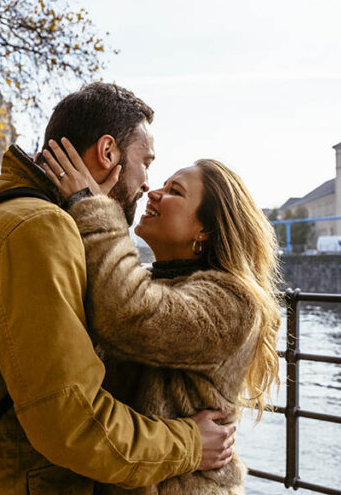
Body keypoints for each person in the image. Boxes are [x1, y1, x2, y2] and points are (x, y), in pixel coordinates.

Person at [0, 82, 236, 494]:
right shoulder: (40, 228)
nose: (148, 184)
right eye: (146, 163)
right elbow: (72, 422)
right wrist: (189, 444)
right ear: (108, 152)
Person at [40, 138, 282, 494]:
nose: (153, 192)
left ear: (205, 231)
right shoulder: (156, 280)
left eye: (175, 191)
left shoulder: (233, 303)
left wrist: (91, 205)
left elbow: (129, 315)